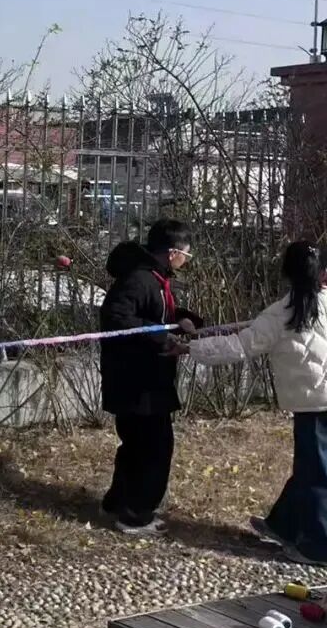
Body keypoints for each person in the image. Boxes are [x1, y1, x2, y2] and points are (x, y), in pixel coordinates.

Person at [174, 240, 327, 565]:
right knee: (311, 468)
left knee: (316, 473)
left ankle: (318, 547)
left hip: (313, 407)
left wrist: (190, 348)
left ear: (285, 273)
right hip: (316, 403)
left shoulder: (278, 315)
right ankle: (283, 525)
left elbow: (238, 347)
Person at [98, 220, 200, 535]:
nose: (186, 260)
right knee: (154, 447)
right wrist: (161, 337)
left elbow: (152, 313)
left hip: (147, 379)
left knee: (136, 444)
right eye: (186, 254)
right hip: (137, 381)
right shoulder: (140, 279)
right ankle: (137, 514)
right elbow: (117, 318)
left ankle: (119, 501)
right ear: (172, 253)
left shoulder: (154, 279)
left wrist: (182, 318)